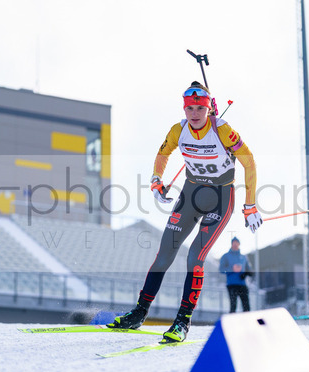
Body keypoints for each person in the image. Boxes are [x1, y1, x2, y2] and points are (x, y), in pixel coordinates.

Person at [108, 81, 262, 342]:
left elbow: (249, 162)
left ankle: (182, 322)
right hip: (190, 196)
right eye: (189, 108)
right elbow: (163, 153)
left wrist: (250, 206)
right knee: (163, 255)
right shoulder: (178, 130)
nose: (194, 113)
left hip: (220, 199)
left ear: (208, 109)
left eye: (199, 108)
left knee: (194, 257)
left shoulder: (222, 129)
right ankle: (139, 312)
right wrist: (156, 179)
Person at [220, 236, 253, 313]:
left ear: (239, 244)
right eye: (234, 243)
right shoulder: (225, 256)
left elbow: (249, 269)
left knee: (246, 306)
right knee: (233, 306)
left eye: (236, 243)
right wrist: (232, 269)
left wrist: (246, 273)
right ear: (231, 244)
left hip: (242, 284)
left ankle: (247, 319)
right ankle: (232, 320)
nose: (235, 244)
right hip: (232, 285)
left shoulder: (244, 257)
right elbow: (221, 269)